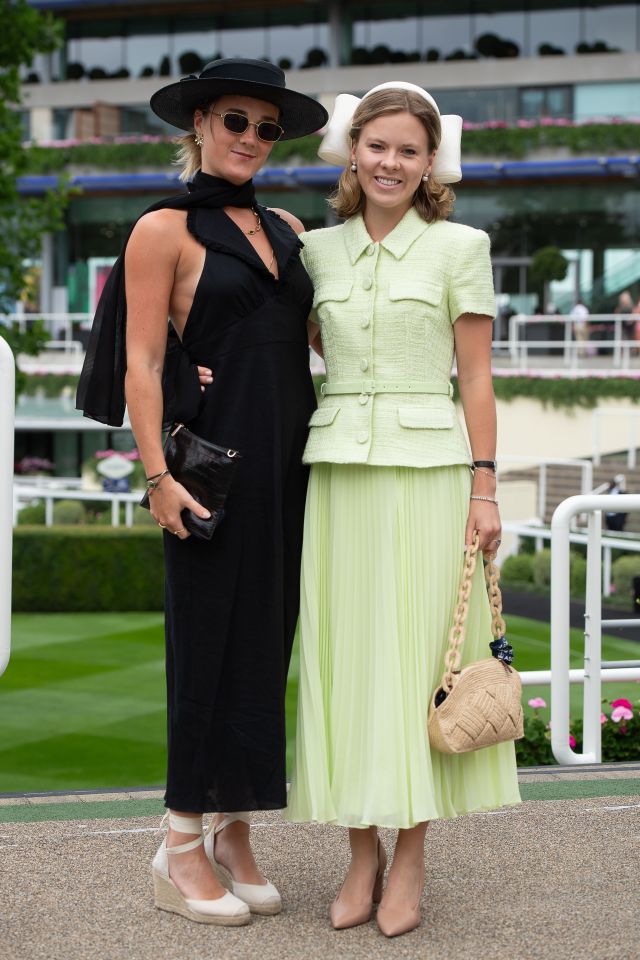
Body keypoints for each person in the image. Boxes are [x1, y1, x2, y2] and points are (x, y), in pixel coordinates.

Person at [76, 58, 327, 926]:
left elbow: (321, 338)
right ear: (199, 127)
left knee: (265, 650)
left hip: (291, 467)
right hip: (207, 470)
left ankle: (234, 826)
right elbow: (142, 362)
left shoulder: (290, 228)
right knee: (206, 654)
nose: (251, 138)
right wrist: (156, 478)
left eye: (266, 127)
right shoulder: (161, 230)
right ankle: (179, 841)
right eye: (235, 121)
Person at [283, 83, 521, 938]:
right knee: (348, 666)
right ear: (352, 152)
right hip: (338, 476)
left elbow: (479, 378)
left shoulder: (462, 246)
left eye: (407, 150)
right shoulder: (311, 251)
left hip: (433, 479)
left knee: (422, 660)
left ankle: (411, 853)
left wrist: (486, 486)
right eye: (376, 146)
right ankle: (359, 855)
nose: (390, 162)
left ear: (431, 164)